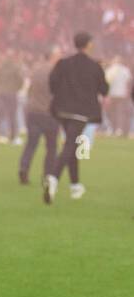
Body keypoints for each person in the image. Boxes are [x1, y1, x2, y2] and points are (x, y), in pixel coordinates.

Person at [44, 31, 108, 204]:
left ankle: (75, 185)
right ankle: (53, 178)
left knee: (72, 144)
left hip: (62, 110)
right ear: (88, 44)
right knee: (71, 144)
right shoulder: (95, 66)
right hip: (81, 112)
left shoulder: (63, 63)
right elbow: (104, 90)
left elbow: (52, 83)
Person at [19, 49, 60, 185]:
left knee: (31, 144)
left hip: (33, 112)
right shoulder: (57, 72)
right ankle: (47, 175)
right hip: (50, 114)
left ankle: (24, 168)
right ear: (53, 57)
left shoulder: (36, 70)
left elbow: (29, 91)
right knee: (51, 147)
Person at [103, 55, 131, 137]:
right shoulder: (125, 70)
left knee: (111, 112)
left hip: (112, 95)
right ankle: (119, 129)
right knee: (120, 112)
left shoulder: (110, 70)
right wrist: (127, 92)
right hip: (121, 94)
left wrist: (106, 95)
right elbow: (128, 83)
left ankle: (112, 128)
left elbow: (106, 84)